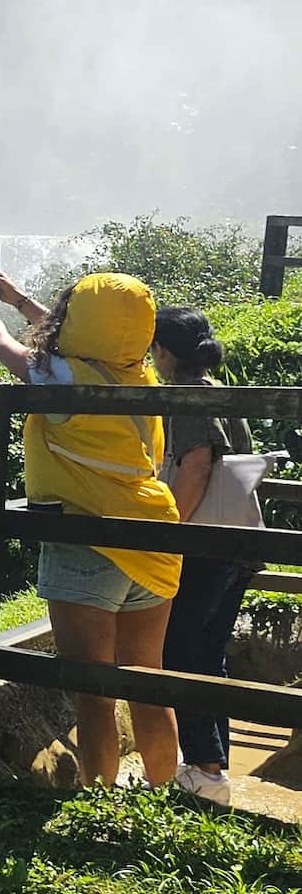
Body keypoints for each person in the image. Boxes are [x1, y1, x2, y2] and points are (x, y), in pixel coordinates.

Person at [0, 265, 181, 788]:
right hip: (155, 535)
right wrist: (19, 300)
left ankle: (101, 801)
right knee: (147, 681)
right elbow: (91, 340)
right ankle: (164, 800)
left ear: (79, 320)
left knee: (94, 693)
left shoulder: (65, 377)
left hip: (88, 538)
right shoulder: (138, 373)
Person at [151, 307, 255, 806]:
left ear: (164, 352)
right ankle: (214, 765)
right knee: (208, 652)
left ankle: (206, 770)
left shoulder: (186, 397)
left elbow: (195, 464)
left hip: (203, 545)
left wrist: (171, 530)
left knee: (179, 650)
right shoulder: (218, 388)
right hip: (238, 543)